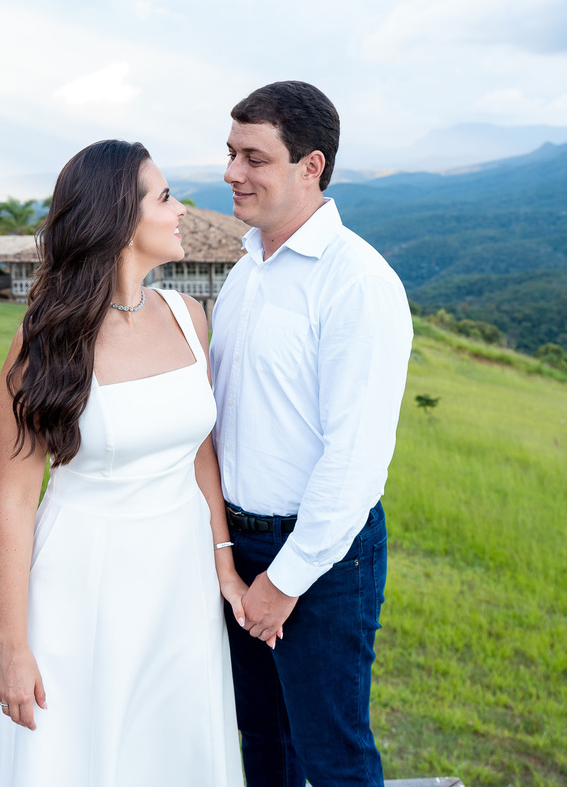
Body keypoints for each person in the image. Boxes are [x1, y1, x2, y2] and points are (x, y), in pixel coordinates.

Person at [0, 139, 244, 786]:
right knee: (87, 755)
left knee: (176, 747)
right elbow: (16, 499)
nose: (180, 208)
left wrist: (223, 565)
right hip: (85, 581)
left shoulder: (190, 317)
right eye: (164, 196)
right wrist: (13, 647)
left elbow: (200, 455)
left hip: (181, 581)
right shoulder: (46, 339)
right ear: (119, 219)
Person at [211, 81, 414, 786]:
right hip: (238, 548)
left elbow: (354, 461)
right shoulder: (245, 271)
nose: (233, 172)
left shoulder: (357, 283)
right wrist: (230, 560)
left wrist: (285, 580)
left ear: (310, 167)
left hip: (323, 558)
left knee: (332, 757)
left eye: (255, 158)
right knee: (263, 746)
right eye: (231, 153)